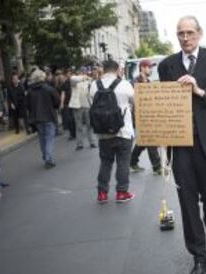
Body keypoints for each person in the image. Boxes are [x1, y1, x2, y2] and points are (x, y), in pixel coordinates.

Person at [158, 16, 206, 274]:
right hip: (181, 148)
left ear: (199, 34)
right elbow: (163, 106)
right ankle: (199, 257)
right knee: (188, 204)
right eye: (181, 33)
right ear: (176, 36)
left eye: (190, 32)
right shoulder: (167, 65)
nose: (185, 37)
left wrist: (200, 91)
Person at [90, 60, 135, 204]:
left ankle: (102, 193)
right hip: (123, 131)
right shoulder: (124, 84)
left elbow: (93, 104)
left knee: (105, 162)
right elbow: (135, 102)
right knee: (123, 162)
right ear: (117, 70)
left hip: (103, 132)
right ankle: (122, 192)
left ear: (103, 70)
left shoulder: (94, 85)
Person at [130, 59, 162, 175]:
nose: (151, 69)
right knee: (150, 139)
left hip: (149, 115)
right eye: (149, 67)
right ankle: (157, 167)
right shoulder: (134, 82)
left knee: (144, 140)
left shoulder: (148, 82)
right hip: (140, 115)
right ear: (142, 67)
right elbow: (133, 100)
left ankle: (132, 161)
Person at [27, 69, 60, 169]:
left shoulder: (30, 91)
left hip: (37, 118)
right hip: (49, 116)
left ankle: (45, 156)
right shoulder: (49, 89)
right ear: (43, 77)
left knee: (42, 139)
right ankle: (48, 158)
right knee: (49, 138)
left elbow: (28, 105)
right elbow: (57, 102)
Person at [69, 68, 96, 150]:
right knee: (79, 126)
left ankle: (92, 142)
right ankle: (79, 144)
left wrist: (90, 80)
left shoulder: (88, 81)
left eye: (85, 72)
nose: (84, 73)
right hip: (77, 106)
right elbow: (74, 79)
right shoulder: (74, 79)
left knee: (90, 125)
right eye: (82, 72)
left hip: (87, 105)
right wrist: (84, 77)